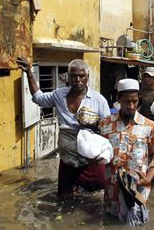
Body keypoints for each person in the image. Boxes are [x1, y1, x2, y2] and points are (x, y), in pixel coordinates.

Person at [17, 57, 110, 197]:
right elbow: (38, 98)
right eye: (74, 76)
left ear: (87, 78)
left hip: (90, 160)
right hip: (68, 159)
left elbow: (108, 130)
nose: (78, 79)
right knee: (65, 197)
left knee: (98, 193)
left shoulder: (98, 100)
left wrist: (95, 124)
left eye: (81, 76)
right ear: (68, 77)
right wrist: (29, 73)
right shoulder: (59, 95)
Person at [99, 79, 154, 225]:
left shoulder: (149, 126)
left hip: (137, 189)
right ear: (118, 99)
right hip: (112, 191)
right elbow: (98, 153)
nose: (131, 106)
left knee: (137, 224)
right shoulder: (105, 124)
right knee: (111, 223)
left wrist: (149, 177)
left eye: (135, 102)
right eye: (127, 102)